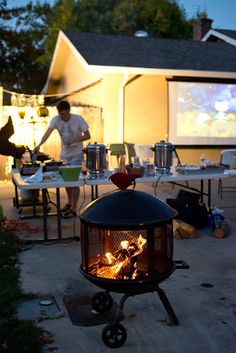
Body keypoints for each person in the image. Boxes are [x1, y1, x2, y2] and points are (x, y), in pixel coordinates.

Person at [33, 100, 90, 217]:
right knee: (66, 181)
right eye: (59, 113)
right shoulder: (56, 120)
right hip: (64, 155)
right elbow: (48, 132)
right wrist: (39, 144)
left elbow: (88, 135)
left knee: (73, 181)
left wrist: (75, 139)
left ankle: (74, 209)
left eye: (63, 113)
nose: (61, 116)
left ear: (68, 111)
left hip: (77, 154)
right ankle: (69, 203)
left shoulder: (78, 119)